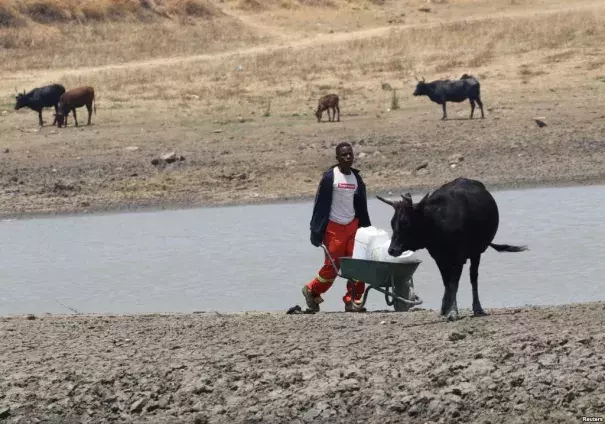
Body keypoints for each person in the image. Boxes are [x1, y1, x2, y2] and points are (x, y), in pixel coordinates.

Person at [302, 141, 372, 313]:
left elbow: (361, 206)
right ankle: (312, 290)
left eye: (350, 154)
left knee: (357, 264)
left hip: (353, 227)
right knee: (333, 267)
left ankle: (353, 300)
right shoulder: (329, 178)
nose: (348, 157)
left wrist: (366, 228)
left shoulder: (356, 179)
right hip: (334, 228)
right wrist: (316, 231)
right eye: (344, 155)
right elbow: (320, 205)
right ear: (337, 158)